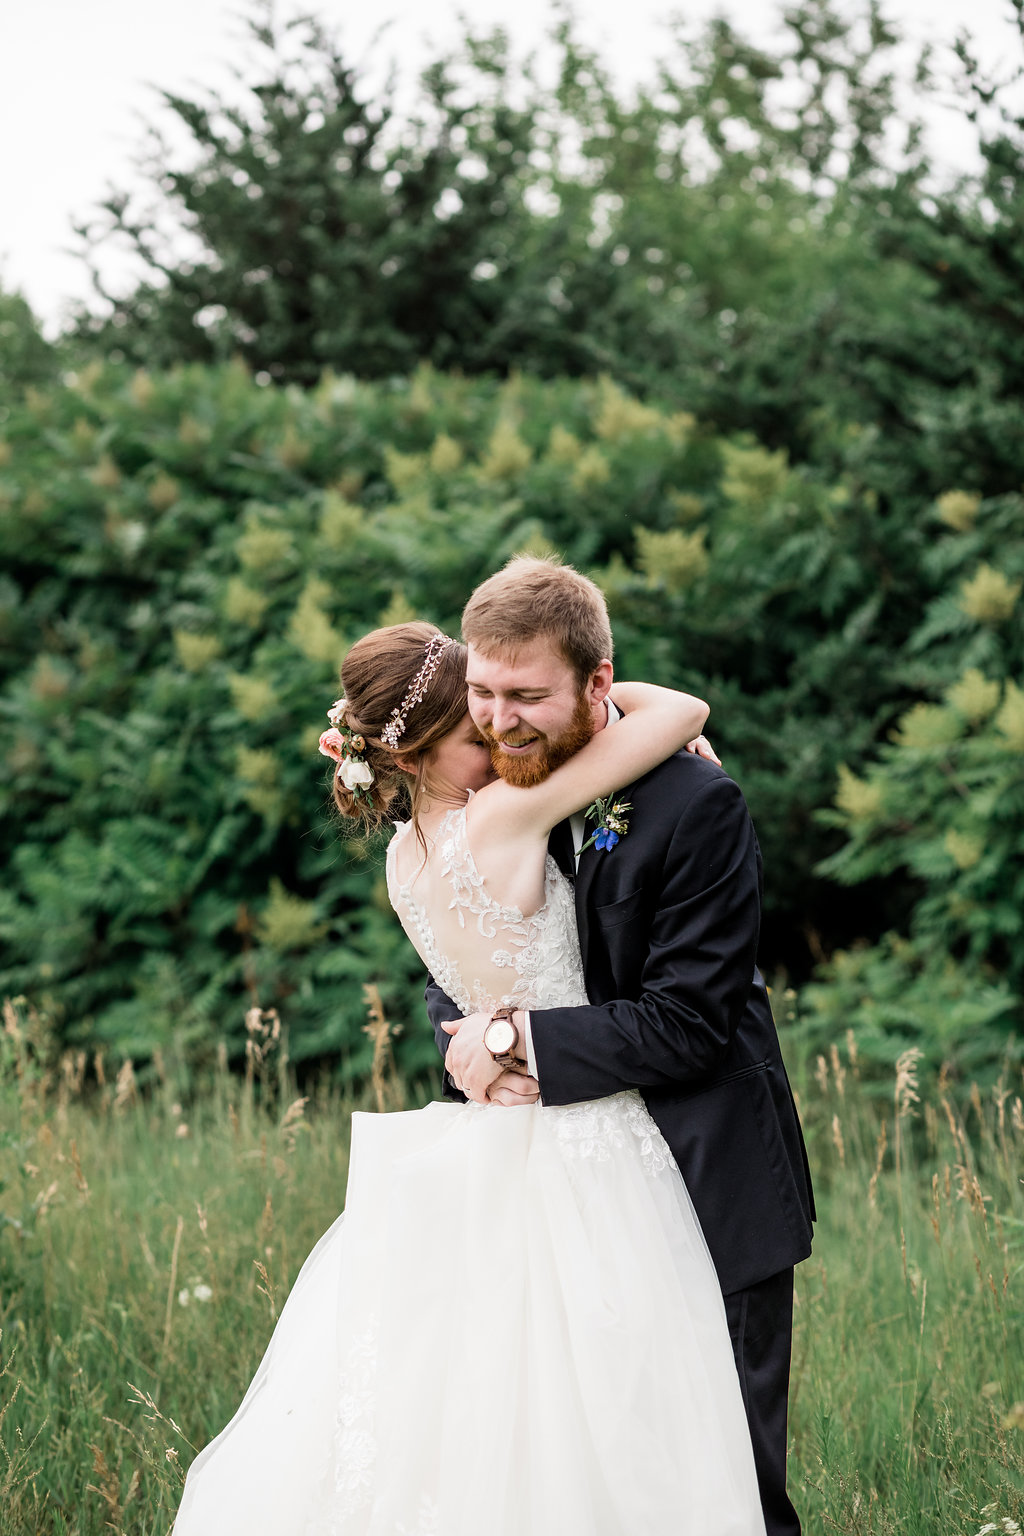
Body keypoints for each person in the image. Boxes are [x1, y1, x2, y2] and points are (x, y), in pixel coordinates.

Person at [173, 616, 768, 1536]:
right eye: (472, 731)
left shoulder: (401, 863)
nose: (496, 741)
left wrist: (490, 1039)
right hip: (591, 1145)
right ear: (417, 750)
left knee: (490, 1410)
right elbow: (680, 707)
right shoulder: (504, 816)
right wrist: (621, 699)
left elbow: (466, 988)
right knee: (612, 1417)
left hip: (493, 1138)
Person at [432, 557, 815, 1536]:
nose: (498, 719)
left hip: (704, 1178)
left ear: (599, 685)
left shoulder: (696, 805)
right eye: (481, 692)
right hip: (553, 1198)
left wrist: (514, 1039)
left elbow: (690, 1018)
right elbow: (465, 944)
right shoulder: (486, 790)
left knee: (723, 1488)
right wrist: (463, 1038)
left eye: (526, 696)